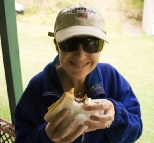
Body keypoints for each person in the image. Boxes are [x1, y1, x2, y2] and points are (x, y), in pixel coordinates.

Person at [14, 4, 143, 143]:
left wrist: (117, 115)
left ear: (101, 47)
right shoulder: (38, 88)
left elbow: (136, 129)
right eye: (70, 43)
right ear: (57, 45)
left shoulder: (111, 78)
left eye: (92, 44)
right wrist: (46, 137)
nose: (81, 55)